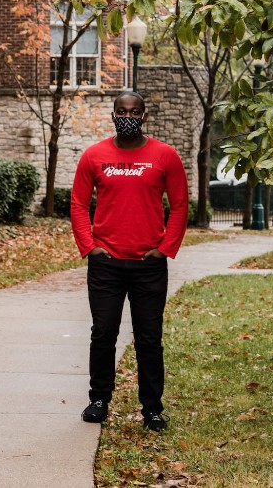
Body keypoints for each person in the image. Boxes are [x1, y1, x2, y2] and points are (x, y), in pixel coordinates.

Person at [71, 91, 188, 432]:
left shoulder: (165, 156)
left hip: (148, 264)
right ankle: (99, 400)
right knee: (103, 333)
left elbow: (180, 205)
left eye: (134, 111)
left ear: (144, 116)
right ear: (113, 114)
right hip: (106, 263)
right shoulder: (94, 155)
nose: (128, 116)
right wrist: (89, 246)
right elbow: (79, 204)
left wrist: (165, 248)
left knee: (149, 337)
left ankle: (151, 408)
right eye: (122, 111)